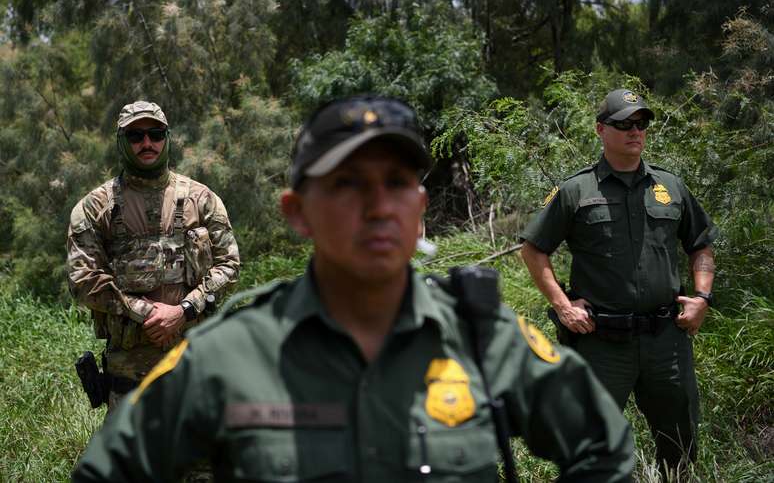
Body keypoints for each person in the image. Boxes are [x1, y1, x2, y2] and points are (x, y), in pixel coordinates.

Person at [72, 96, 634, 482]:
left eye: (396, 182)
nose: (377, 206)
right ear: (297, 212)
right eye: (346, 184)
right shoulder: (229, 353)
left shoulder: (484, 339)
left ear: (419, 206)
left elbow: (604, 447)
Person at [520, 88, 718, 478]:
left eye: (641, 124)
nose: (635, 131)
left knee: (680, 443)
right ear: (600, 129)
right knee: (592, 444)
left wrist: (702, 297)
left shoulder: (670, 187)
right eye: (623, 124)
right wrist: (563, 305)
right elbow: (533, 249)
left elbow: (701, 245)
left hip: (667, 341)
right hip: (601, 344)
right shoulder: (577, 189)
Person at [67, 100, 240, 410]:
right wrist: (144, 312)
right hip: (130, 379)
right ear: (122, 142)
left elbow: (229, 266)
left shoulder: (201, 199)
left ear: (167, 137)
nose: (147, 143)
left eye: (155, 134)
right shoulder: (94, 208)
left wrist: (185, 309)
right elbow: (82, 280)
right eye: (136, 136)